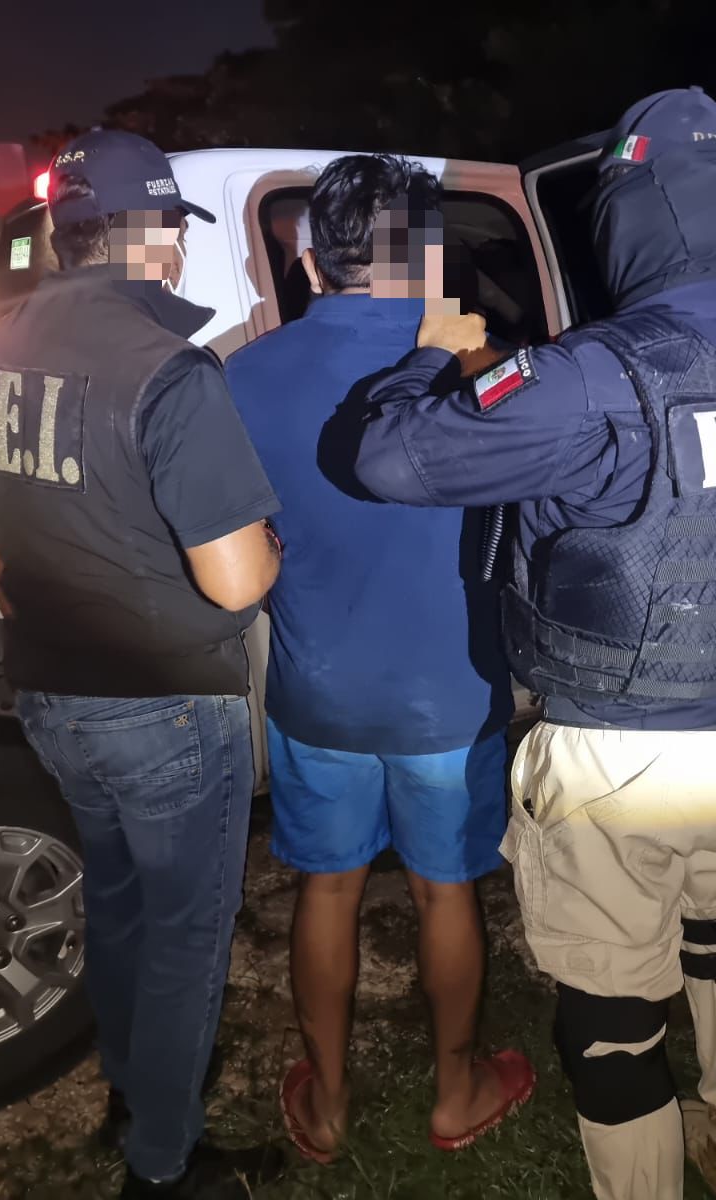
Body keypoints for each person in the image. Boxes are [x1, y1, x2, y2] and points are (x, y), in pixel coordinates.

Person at [350, 89, 716, 1200]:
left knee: (612, 1021)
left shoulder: (592, 376)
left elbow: (388, 459)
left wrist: (425, 358)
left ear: (629, 218)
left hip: (614, 760)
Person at [0, 129, 285, 1199]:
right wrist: (274, 547)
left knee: (123, 904)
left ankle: (133, 1093)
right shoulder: (167, 369)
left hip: (53, 693)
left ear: (63, 233)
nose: (178, 253)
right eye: (173, 232)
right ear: (147, 236)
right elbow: (236, 581)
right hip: (167, 703)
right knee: (185, 935)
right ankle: (162, 1166)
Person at [224, 154, 534, 1163]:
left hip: (318, 691)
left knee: (328, 888)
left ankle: (327, 1103)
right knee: (448, 890)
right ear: (427, 259)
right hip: (450, 690)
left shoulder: (245, 377)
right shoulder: (479, 364)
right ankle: (456, 1090)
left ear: (309, 261)